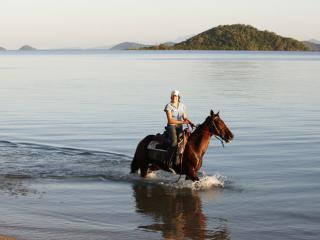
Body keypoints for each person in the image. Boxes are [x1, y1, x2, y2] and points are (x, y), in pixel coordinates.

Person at [164, 90, 195, 167]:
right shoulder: (168, 106)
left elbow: (185, 117)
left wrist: (190, 123)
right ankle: (168, 160)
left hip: (179, 126)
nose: (175, 97)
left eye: (176, 96)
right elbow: (170, 120)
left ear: (178, 97)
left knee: (182, 142)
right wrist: (183, 123)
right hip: (171, 126)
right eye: (173, 96)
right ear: (171, 97)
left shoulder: (182, 106)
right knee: (174, 142)